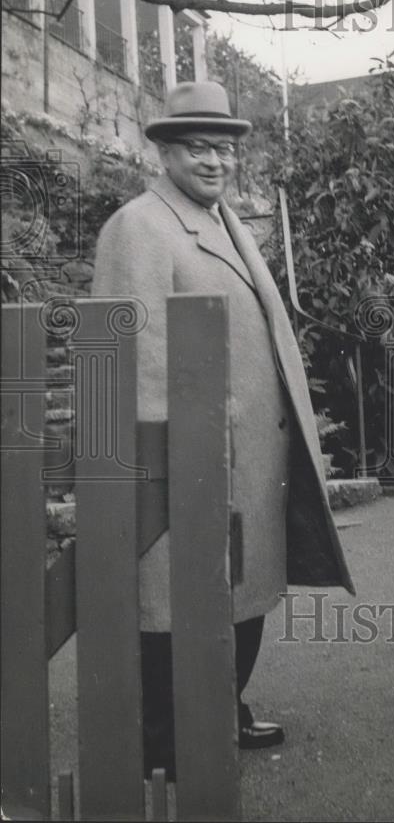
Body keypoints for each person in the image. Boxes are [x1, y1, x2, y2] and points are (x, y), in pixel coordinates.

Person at [93, 81, 355, 781]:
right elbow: (130, 351)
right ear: (167, 153)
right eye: (198, 148)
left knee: (242, 592)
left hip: (250, 454)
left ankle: (221, 709)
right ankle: (164, 742)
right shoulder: (139, 227)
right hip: (190, 455)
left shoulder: (224, 221)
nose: (215, 162)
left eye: (224, 149)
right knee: (172, 601)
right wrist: (166, 459)